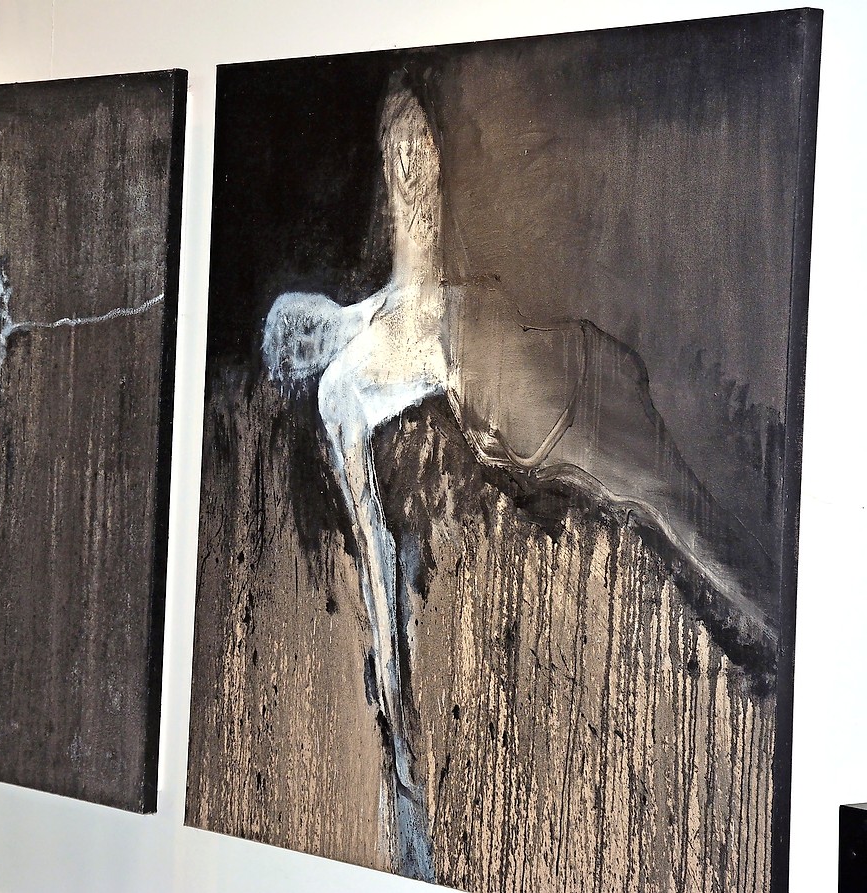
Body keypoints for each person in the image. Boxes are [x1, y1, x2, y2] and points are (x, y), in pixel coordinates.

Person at [263, 78, 776, 881]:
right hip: (554, 431)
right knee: (680, 517)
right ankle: (781, 637)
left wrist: (403, 126)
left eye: (292, 318)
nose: (299, 330)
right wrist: (397, 731)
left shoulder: (394, 290)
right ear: (297, 372)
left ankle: (780, 630)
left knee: (688, 516)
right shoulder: (346, 391)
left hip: (570, 369)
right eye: (289, 343)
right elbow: (373, 560)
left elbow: (419, 211)